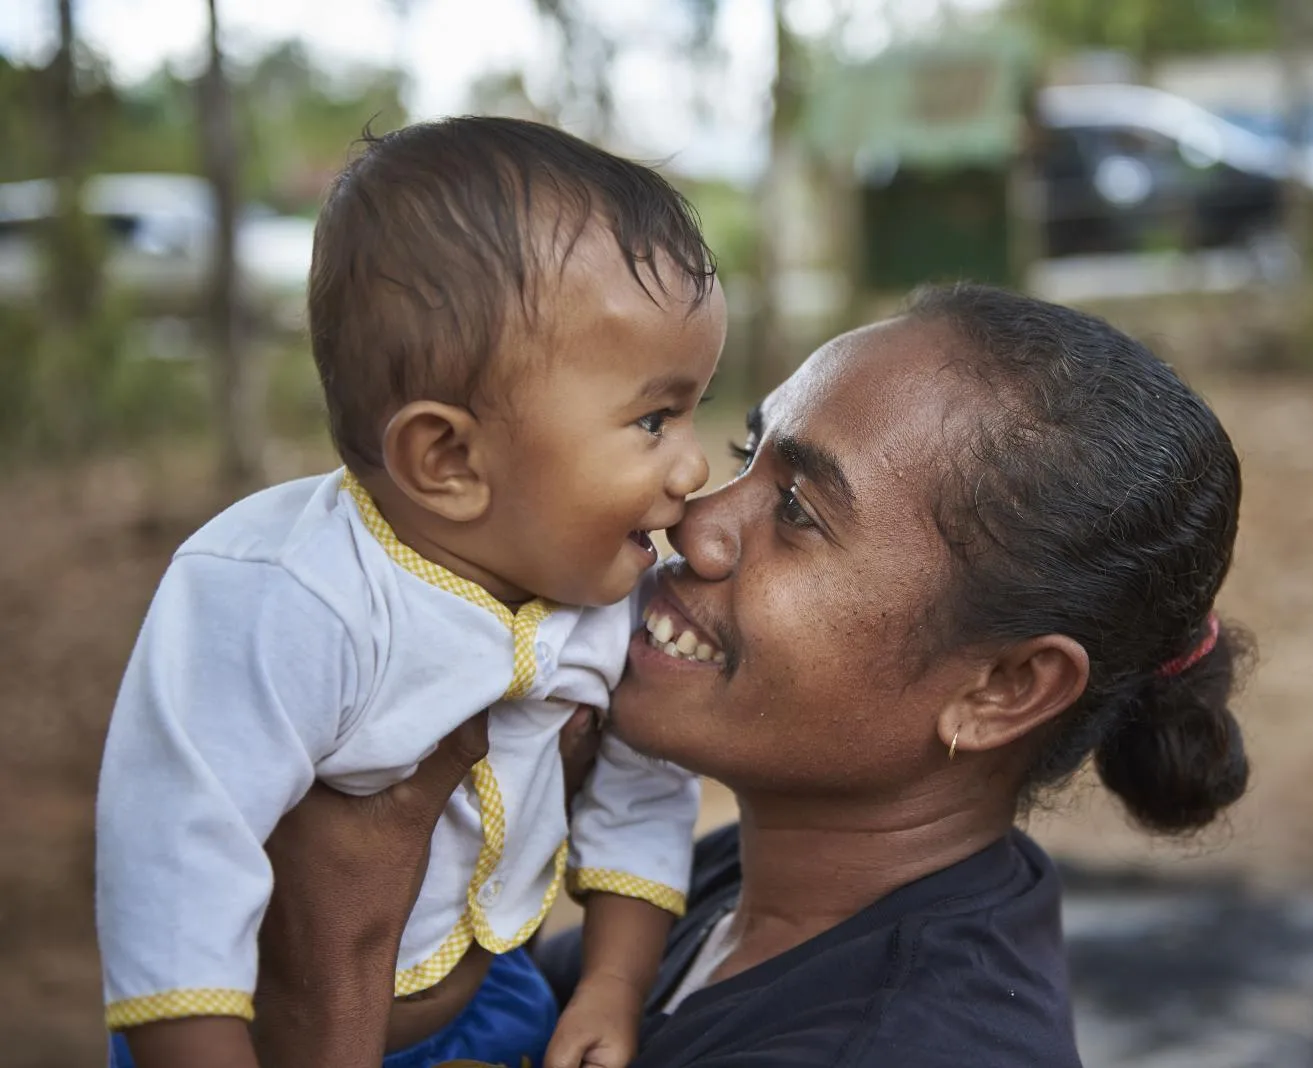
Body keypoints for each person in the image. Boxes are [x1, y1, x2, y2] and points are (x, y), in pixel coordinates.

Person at [241, 283, 1253, 1068]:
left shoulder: (903, 1045)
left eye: (801, 513)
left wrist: (332, 964)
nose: (693, 518)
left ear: (1000, 690)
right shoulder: (739, 885)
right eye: (745, 453)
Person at [95, 116, 727, 1068]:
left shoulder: (601, 585)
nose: (693, 467)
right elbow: (177, 856)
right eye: (652, 419)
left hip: (495, 1003)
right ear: (448, 458)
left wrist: (610, 985)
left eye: (692, 412)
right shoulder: (287, 596)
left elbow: (642, 790)